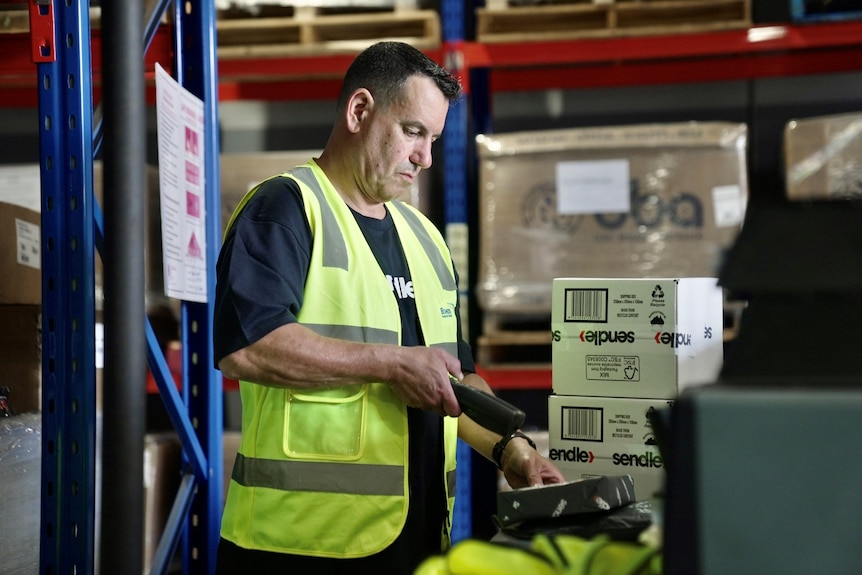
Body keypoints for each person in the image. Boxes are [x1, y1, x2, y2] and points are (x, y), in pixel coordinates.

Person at [213, 41, 565, 574]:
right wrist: (391, 362)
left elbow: (456, 373)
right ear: (360, 112)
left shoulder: (423, 236)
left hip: (416, 540)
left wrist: (512, 450)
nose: (425, 157)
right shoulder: (286, 208)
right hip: (299, 548)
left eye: (434, 139)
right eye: (413, 132)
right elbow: (250, 346)